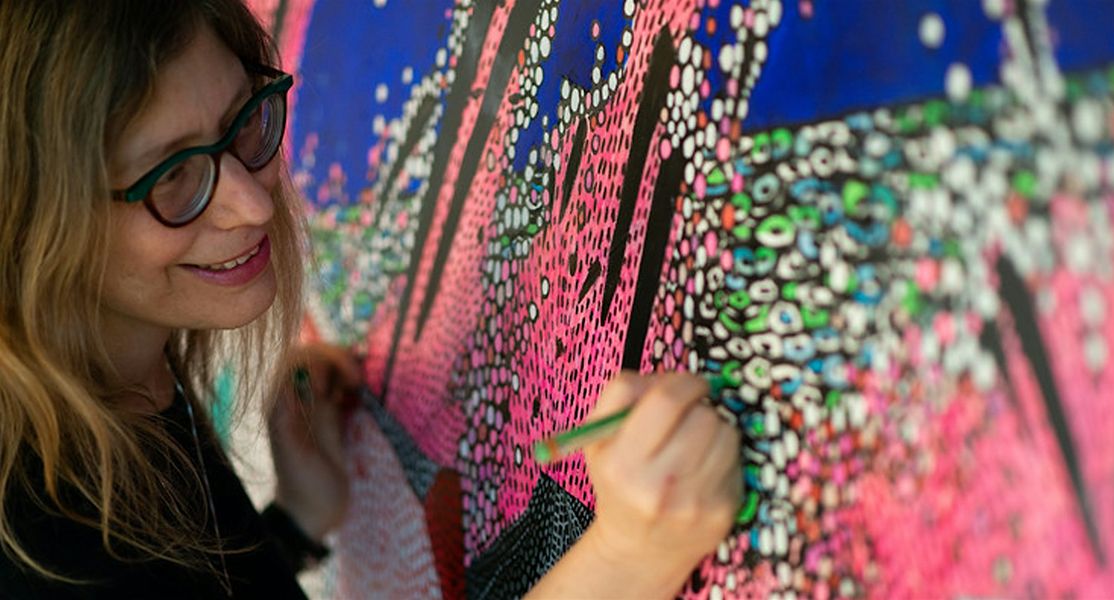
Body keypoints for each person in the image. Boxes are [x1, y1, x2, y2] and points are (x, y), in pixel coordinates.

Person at [0, 1, 743, 598]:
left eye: (242, 122)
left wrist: (292, 527)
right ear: (32, 223)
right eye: (172, 177)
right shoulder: (37, 535)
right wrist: (630, 558)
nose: (252, 204)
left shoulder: (121, 378)